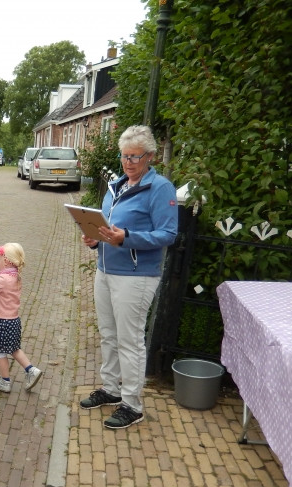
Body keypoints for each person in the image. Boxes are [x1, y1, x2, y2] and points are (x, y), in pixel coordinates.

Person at [79, 124, 178, 429]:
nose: (128, 162)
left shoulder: (160, 188)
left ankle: (132, 405)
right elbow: (108, 225)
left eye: (135, 157)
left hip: (136, 275)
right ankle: (110, 389)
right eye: (124, 156)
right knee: (108, 334)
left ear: (150, 157)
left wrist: (127, 238)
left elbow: (168, 234)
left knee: (130, 340)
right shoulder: (116, 186)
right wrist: (96, 238)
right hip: (106, 270)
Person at [0, 243, 43, 393]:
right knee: (14, 349)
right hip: (13, 321)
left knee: (0, 351)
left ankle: (5, 381)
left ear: (7, 261)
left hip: (0, 321)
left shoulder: (3, 280)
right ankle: (31, 370)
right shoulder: (15, 276)